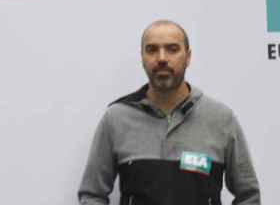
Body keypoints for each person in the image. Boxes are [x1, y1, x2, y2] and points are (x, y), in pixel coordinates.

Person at [78, 20, 261, 205]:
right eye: (152, 50)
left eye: (172, 49)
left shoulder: (221, 119)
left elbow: (249, 195)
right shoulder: (116, 118)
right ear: (142, 57)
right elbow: (92, 194)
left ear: (188, 57)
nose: (162, 58)